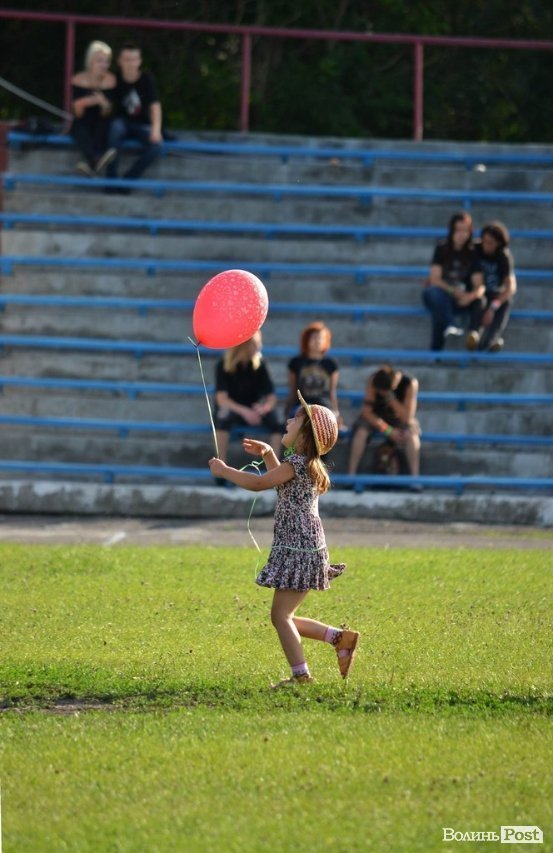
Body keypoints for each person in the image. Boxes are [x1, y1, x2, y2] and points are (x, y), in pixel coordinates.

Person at [208, 391, 360, 688]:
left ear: (305, 435)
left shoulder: (296, 465)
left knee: (281, 617)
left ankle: (301, 676)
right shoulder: (300, 464)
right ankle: (340, 639)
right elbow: (278, 479)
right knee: (283, 615)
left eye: (295, 419)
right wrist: (267, 453)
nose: (288, 420)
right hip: (304, 547)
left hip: (299, 548)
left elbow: (260, 483)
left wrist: (225, 471)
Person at [214, 332, 282, 465]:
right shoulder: (224, 365)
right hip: (235, 408)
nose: (259, 347)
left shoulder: (260, 364)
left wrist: (264, 408)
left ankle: (275, 467)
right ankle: (220, 464)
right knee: (222, 417)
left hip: (254, 409)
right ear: (244, 345)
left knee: (278, 421)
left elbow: (271, 397)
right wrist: (245, 412)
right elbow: (221, 399)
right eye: (256, 344)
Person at [422, 212, 485, 351]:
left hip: (462, 298)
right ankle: (446, 332)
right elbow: (435, 279)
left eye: (465, 230)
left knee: (480, 301)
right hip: (443, 295)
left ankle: (474, 339)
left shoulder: (473, 253)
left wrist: (470, 297)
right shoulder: (442, 249)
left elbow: (479, 285)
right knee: (436, 295)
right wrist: (453, 291)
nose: (462, 234)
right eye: (458, 230)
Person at [347, 364, 420, 478]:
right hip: (377, 417)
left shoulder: (410, 383)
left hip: (398, 418)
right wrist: (388, 430)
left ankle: (415, 479)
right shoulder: (374, 380)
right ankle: (351, 475)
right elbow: (367, 412)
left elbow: (407, 417)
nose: (380, 393)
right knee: (361, 432)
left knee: (412, 436)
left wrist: (390, 398)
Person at [105, 43, 162, 190]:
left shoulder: (147, 78)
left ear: (140, 61)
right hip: (120, 123)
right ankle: (110, 181)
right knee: (114, 130)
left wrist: (156, 130)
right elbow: (107, 108)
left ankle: (127, 182)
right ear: (119, 61)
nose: (130, 63)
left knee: (157, 146)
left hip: (141, 124)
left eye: (134, 59)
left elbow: (155, 106)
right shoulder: (113, 79)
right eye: (127, 59)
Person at [467, 221, 517, 352]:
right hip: (476, 291)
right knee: (480, 300)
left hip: (494, 294)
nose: (486, 246)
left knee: (506, 302)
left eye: (490, 243)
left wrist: (493, 307)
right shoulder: (475, 250)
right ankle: (473, 335)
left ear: (499, 244)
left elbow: (510, 287)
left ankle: (490, 341)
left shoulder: (504, 257)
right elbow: (477, 283)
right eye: (484, 241)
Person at [70, 41, 117, 176]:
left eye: (107, 61)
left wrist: (103, 103)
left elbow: (107, 112)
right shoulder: (78, 80)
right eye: (100, 61)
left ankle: (91, 165)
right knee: (79, 127)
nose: (104, 65)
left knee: (103, 124)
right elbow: (78, 112)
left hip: (102, 119)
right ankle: (95, 162)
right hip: (83, 119)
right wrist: (90, 101)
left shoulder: (111, 80)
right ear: (90, 61)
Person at [286, 321, 341, 424]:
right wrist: (287, 410)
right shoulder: (296, 362)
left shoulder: (331, 363)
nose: (318, 341)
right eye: (314, 337)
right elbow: (293, 391)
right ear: (307, 340)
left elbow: (332, 392)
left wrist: (336, 412)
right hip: (302, 406)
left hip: (324, 406)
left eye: (321, 338)